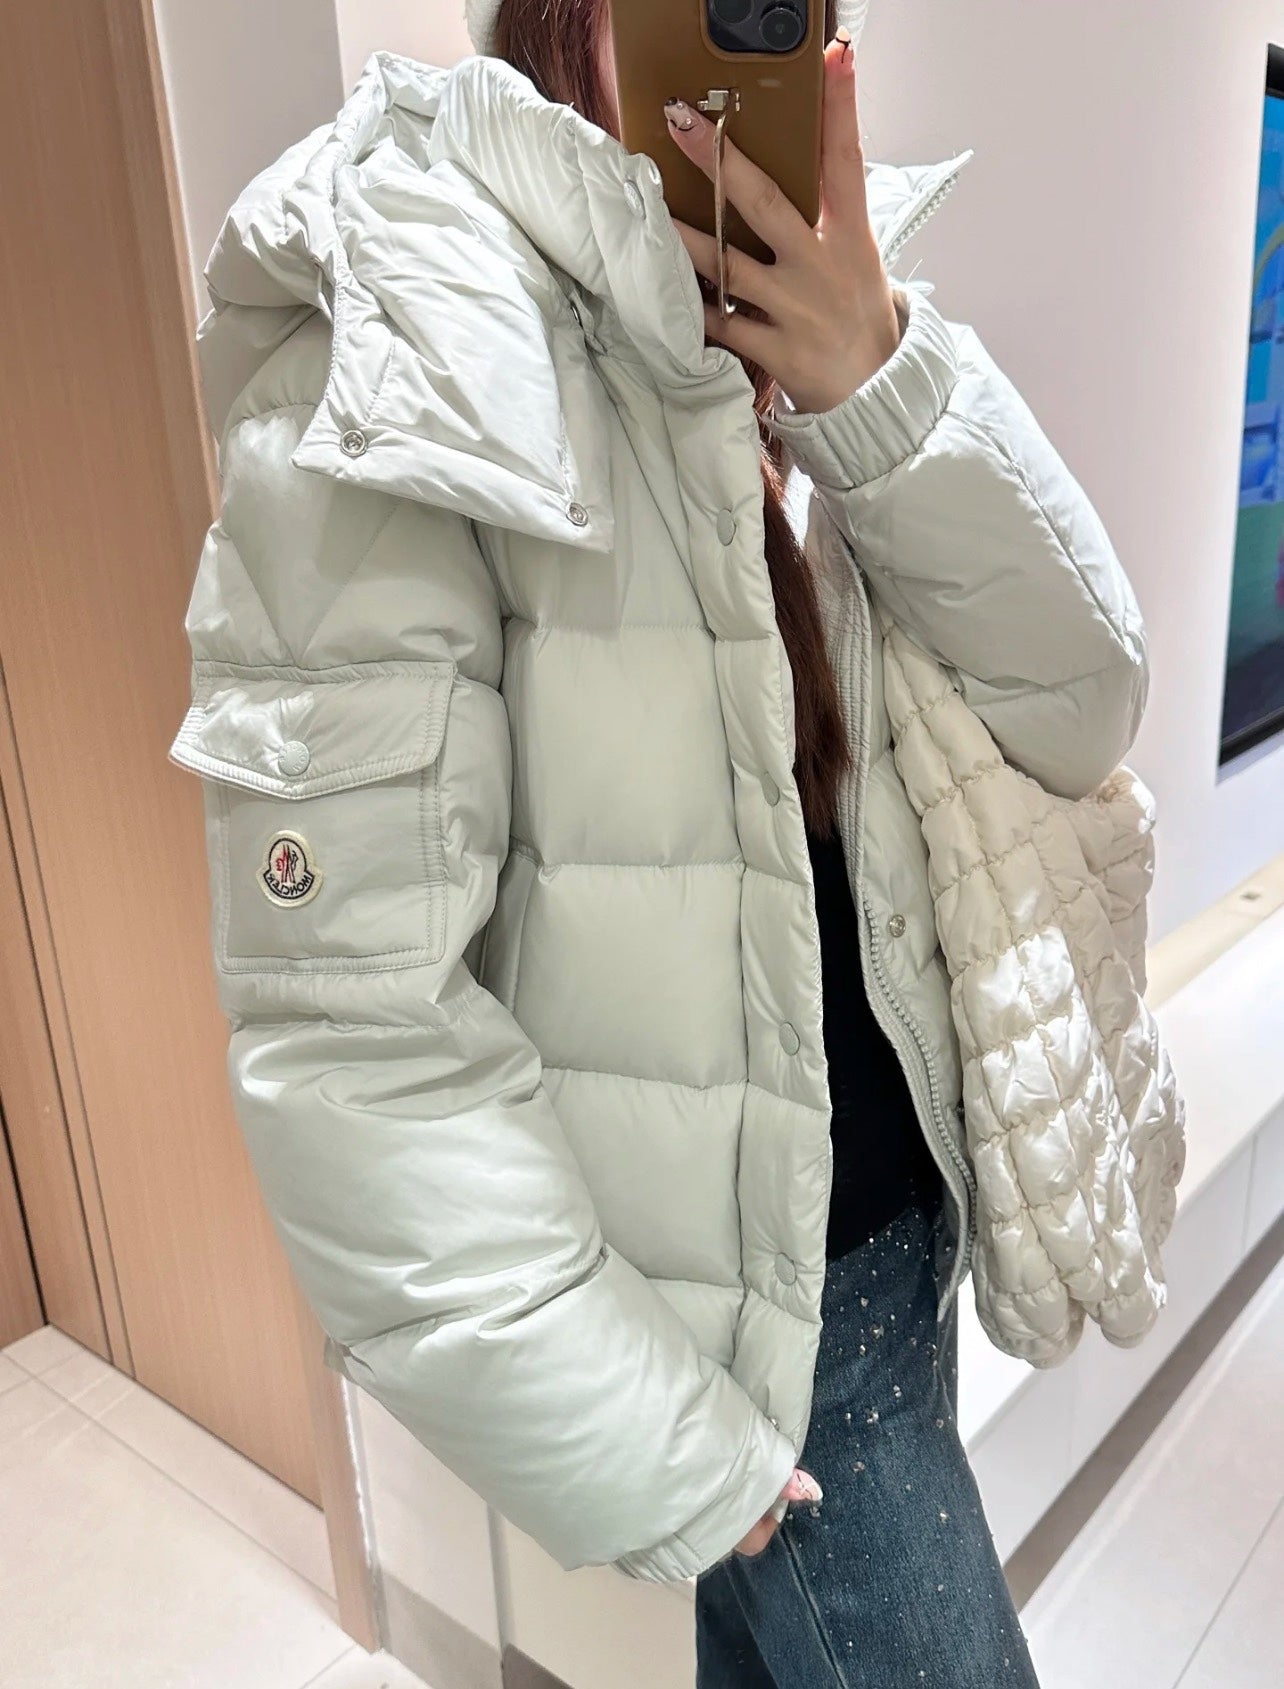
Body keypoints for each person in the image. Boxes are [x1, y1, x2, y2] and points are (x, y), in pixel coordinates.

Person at [168, 1, 1148, 1683]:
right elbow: (351, 1033)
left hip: (891, 1232)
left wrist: (877, 382)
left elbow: (1083, 700)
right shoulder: (404, 327)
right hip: (766, 1340)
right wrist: (669, 1445)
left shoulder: (807, 324)